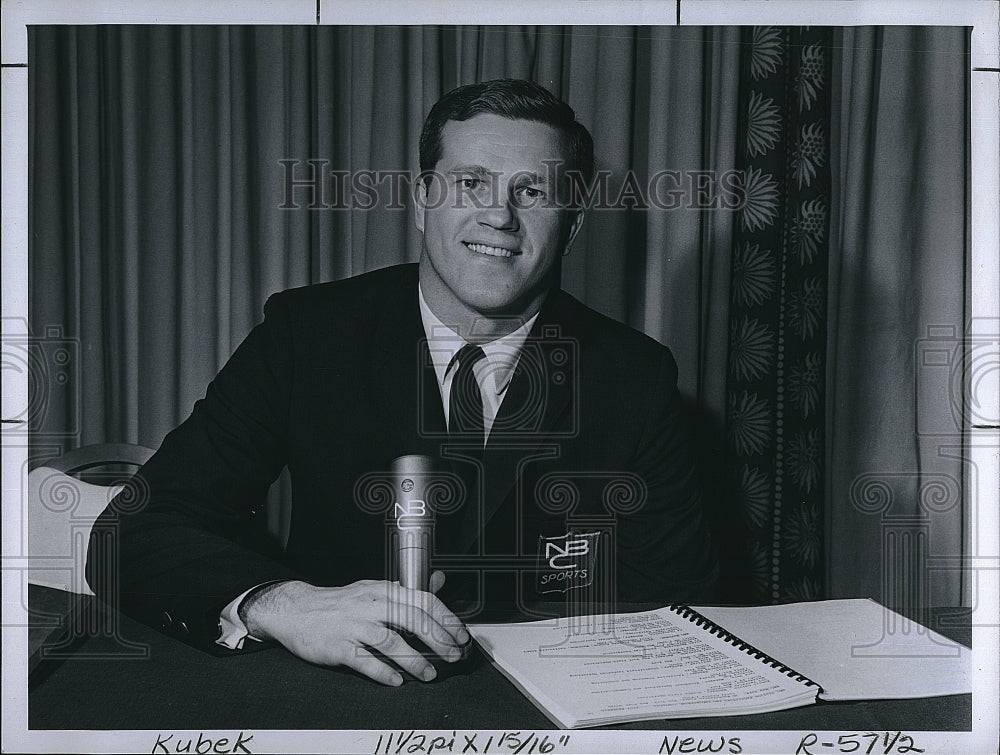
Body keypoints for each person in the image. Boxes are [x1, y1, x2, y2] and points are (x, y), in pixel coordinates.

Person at [87, 79, 719, 687]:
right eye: (471, 182)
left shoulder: (635, 376)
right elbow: (134, 532)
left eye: (532, 191)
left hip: (545, 710)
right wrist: (281, 603)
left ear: (572, 225)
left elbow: (676, 602)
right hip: (336, 702)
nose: (498, 214)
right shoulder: (307, 335)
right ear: (421, 202)